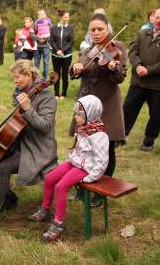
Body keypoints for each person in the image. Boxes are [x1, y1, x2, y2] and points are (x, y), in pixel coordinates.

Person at [0, 59, 58, 231]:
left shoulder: (47, 96)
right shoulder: (21, 93)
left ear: (29, 75)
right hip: (19, 144)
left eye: (17, 77)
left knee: (3, 166)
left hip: (38, 149)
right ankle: (9, 198)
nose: (15, 81)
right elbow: (15, 124)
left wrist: (28, 108)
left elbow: (45, 127)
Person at [28, 95, 109, 242]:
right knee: (49, 177)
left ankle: (58, 224)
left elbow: (102, 160)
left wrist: (91, 177)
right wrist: (70, 158)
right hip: (74, 163)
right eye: (75, 113)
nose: (75, 117)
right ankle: (45, 209)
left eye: (79, 114)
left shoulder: (99, 135)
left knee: (61, 187)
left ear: (90, 114)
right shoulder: (83, 128)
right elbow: (76, 148)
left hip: (85, 168)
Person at [69, 12, 127, 207]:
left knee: (105, 146)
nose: (96, 33)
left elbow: (120, 76)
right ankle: (81, 185)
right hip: (86, 102)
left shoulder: (116, 48)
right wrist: (76, 67)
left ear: (108, 28)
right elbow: (77, 71)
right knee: (82, 145)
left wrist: (112, 67)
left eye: (100, 29)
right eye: (92, 29)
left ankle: (101, 191)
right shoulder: (88, 50)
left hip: (106, 101)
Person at [123, 8, 160, 152]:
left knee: (155, 114)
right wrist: (138, 65)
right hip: (138, 81)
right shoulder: (142, 33)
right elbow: (132, 51)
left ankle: (149, 140)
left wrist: (148, 70)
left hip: (157, 84)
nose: (159, 21)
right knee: (128, 109)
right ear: (152, 18)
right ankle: (120, 136)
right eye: (157, 17)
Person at [49, 9, 74, 99]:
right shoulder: (54, 28)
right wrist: (57, 50)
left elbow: (71, 42)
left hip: (67, 56)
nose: (67, 19)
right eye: (65, 17)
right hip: (55, 55)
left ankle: (63, 93)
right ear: (61, 17)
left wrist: (63, 50)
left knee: (64, 75)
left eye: (68, 17)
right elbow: (51, 40)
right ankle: (56, 93)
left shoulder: (70, 29)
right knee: (56, 74)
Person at [30, 9, 52, 77]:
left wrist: (45, 39)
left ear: (45, 15)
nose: (40, 16)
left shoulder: (49, 23)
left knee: (46, 62)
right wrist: (38, 39)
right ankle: (37, 78)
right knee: (36, 63)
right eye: (39, 14)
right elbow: (31, 33)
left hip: (46, 46)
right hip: (37, 46)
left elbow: (53, 34)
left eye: (41, 14)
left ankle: (45, 78)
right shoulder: (35, 23)